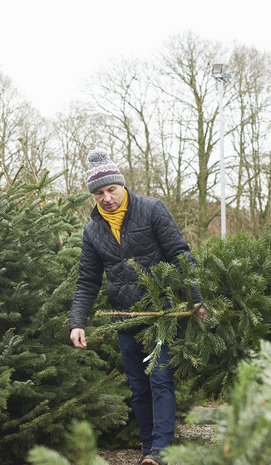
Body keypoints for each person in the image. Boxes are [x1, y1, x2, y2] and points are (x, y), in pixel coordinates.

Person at [69, 149, 205, 465]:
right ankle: (148, 451)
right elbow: (87, 281)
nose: (106, 198)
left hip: (161, 313)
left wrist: (197, 297)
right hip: (125, 318)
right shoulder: (92, 230)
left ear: (122, 185)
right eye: (99, 193)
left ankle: (161, 450)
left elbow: (180, 254)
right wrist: (77, 322)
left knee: (159, 378)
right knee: (138, 387)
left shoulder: (152, 210)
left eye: (111, 189)